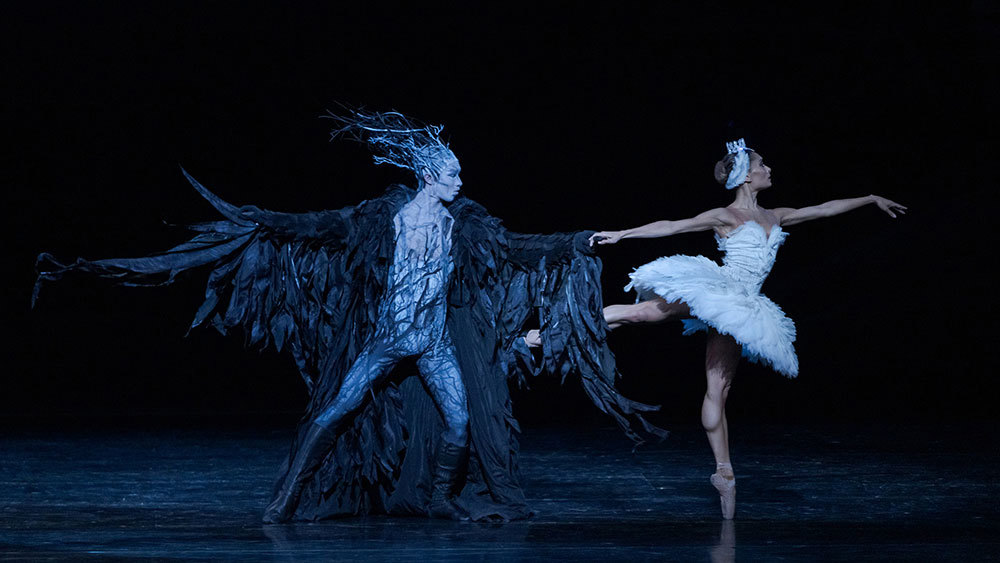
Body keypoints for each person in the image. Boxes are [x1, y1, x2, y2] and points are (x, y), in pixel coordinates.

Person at [34, 109, 665, 523]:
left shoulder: (464, 224)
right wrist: (263, 219)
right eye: (451, 172)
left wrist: (580, 240)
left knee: (460, 418)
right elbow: (315, 227)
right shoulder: (378, 218)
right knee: (337, 407)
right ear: (426, 174)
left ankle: (442, 498)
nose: (459, 178)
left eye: (459, 172)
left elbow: (518, 246)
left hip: (434, 341)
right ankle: (285, 498)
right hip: (388, 338)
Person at [586, 138, 906, 519]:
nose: (769, 169)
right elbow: (673, 226)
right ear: (746, 176)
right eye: (762, 164)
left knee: (718, 391)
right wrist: (623, 234)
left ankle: (724, 473)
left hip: (743, 307)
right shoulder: (726, 216)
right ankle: (553, 332)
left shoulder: (776, 215)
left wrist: (869, 198)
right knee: (642, 314)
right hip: (717, 290)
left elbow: (822, 210)